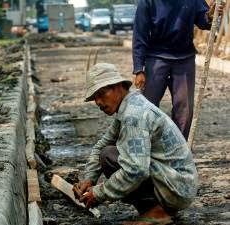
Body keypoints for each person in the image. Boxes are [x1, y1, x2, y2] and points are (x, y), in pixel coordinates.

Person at [73, 63, 198, 225]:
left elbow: (136, 170)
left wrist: (98, 193)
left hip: (178, 189)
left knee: (110, 156)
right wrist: (89, 178)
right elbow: (102, 144)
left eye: (101, 94)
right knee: (107, 152)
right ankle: (156, 209)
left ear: (118, 87)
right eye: (94, 97)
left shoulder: (134, 115)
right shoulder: (129, 105)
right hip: (177, 183)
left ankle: (157, 213)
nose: (98, 102)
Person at [132, 0, 224, 140]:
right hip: (155, 58)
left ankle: (179, 148)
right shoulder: (147, 2)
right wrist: (139, 69)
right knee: (148, 106)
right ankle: (147, 145)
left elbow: (203, 21)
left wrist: (210, 16)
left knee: (185, 111)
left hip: (184, 58)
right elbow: (140, 34)